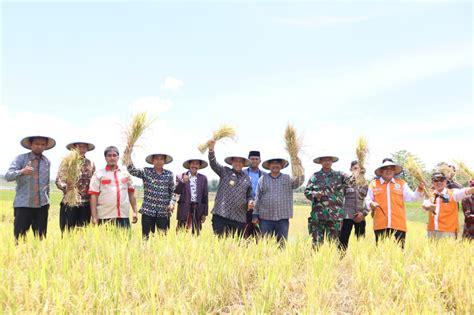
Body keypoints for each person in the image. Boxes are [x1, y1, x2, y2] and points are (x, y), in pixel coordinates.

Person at [5, 135, 56, 240]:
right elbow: (8, 176)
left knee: (41, 237)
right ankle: (19, 256)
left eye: (42, 144)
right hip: (24, 205)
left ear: (45, 146)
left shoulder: (47, 161)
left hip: (42, 206)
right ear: (31, 145)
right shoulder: (21, 158)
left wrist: (48, 201)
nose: (39, 146)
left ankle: (39, 256)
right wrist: (22, 172)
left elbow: (46, 184)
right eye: (37, 144)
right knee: (19, 237)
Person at [365, 160, 424, 248]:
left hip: (398, 225)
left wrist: (419, 189)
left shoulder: (401, 183)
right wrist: (371, 203)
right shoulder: (374, 184)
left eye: (391, 168)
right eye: (386, 168)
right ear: (381, 171)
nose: (388, 170)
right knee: (382, 253)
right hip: (380, 225)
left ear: (394, 171)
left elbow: (412, 197)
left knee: (399, 254)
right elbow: (368, 199)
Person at [252, 157, 304, 243]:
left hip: (282, 218)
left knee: (281, 244)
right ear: (269, 166)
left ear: (281, 166)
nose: (275, 165)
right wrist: (255, 215)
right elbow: (258, 198)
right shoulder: (263, 179)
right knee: (265, 243)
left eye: (278, 163)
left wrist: (298, 166)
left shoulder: (287, 179)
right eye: (272, 163)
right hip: (265, 218)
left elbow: (299, 182)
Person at [207, 139, 254, 237]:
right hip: (221, 214)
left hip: (239, 218)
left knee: (235, 246)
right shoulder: (224, 171)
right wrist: (211, 150)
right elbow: (213, 164)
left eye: (240, 161)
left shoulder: (247, 178)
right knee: (219, 243)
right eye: (236, 161)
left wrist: (250, 201)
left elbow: (249, 195)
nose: (238, 163)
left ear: (244, 164)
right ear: (232, 162)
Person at [304, 153, 351, 247]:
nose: (327, 162)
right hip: (318, 216)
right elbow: (307, 191)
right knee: (316, 245)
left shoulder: (340, 175)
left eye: (329, 160)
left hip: (335, 216)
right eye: (324, 160)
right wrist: (314, 195)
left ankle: (333, 262)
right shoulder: (315, 176)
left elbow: (353, 181)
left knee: (333, 245)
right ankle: (316, 261)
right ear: (320, 162)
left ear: (332, 162)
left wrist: (359, 171)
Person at [127, 152, 176, 239]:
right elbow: (132, 170)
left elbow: (173, 193)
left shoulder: (169, 174)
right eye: (156, 158)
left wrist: (172, 204)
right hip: (148, 211)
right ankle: (145, 252)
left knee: (163, 238)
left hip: (163, 212)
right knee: (145, 238)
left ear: (164, 161)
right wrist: (128, 155)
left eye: (161, 159)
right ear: (153, 161)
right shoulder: (146, 172)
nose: (159, 161)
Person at [88, 146, 137, 229]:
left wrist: (135, 211)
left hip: (123, 216)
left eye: (114, 155)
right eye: (109, 155)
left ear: (118, 157)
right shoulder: (99, 174)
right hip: (104, 216)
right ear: (105, 158)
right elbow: (93, 196)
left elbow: (131, 193)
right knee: (104, 241)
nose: (112, 158)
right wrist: (94, 216)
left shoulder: (125, 174)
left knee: (124, 241)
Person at [56, 141, 96, 232]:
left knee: (83, 233)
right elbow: (58, 180)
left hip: (85, 204)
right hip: (70, 203)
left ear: (87, 149)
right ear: (74, 148)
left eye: (84, 147)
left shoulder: (91, 164)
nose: (82, 149)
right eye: (79, 147)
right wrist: (67, 186)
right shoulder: (67, 162)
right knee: (67, 233)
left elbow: (94, 183)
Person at [422, 172, 474, 239]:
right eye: (436, 180)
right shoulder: (430, 194)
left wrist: (471, 189)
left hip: (448, 232)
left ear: (446, 181)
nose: (439, 182)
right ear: (432, 182)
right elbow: (425, 204)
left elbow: (467, 191)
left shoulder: (453, 193)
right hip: (432, 231)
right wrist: (428, 207)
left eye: (441, 180)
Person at [338, 161, 369, 251]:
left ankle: (359, 261)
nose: (357, 170)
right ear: (351, 169)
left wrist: (363, 214)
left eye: (359, 168)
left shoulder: (365, 184)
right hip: (347, 216)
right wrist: (340, 217)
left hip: (360, 216)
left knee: (361, 242)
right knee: (342, 241)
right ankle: (341, 260)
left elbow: (368, 200)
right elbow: (340, 200)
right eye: (355, 168)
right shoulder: (346, 183)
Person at [175, 158, 209, 235]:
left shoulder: (203, 178)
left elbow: (205, 196)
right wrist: (183, 182)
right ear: (189, 165)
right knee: (181, 231)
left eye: (197, 164)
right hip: (185, 207)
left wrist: (205, 213)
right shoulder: (181, 176)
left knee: (196, 231)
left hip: (197, 208)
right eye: (193, 163)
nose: (194, 166)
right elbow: (177, 191)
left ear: (199, 166)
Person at [244, 150, 266, 237]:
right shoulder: (242, 173)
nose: (254, 161)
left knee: (258, 234)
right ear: (248, 160)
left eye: (256, 159)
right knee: (244, 232)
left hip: (259, 209)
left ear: (260, 161)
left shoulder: (265, 175)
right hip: (244, 207)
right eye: (252, 159)